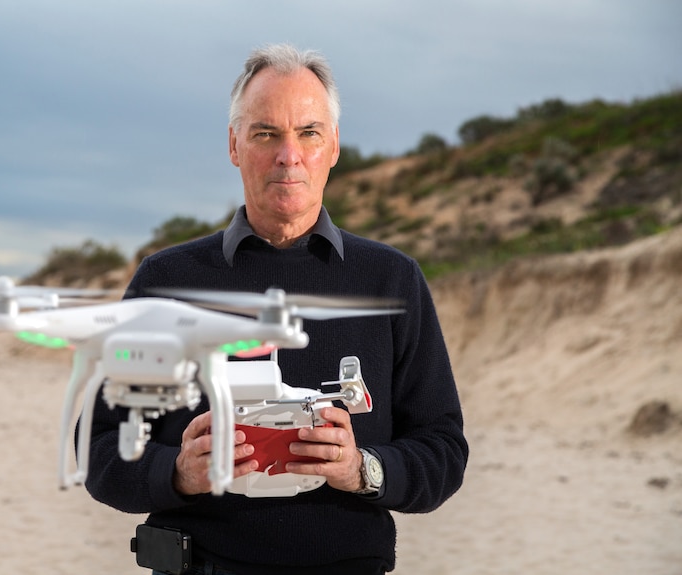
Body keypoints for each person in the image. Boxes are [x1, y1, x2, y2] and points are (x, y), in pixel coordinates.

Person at [83, 43, 468, 575]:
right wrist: (176, 472)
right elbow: (99, 448)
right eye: (266, 133)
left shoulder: (391, 280)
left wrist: (363, 469)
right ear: (235, 145)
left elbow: (443, 451)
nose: (289, 155)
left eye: (308, 133)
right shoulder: (166, 282)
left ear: (332, 147)